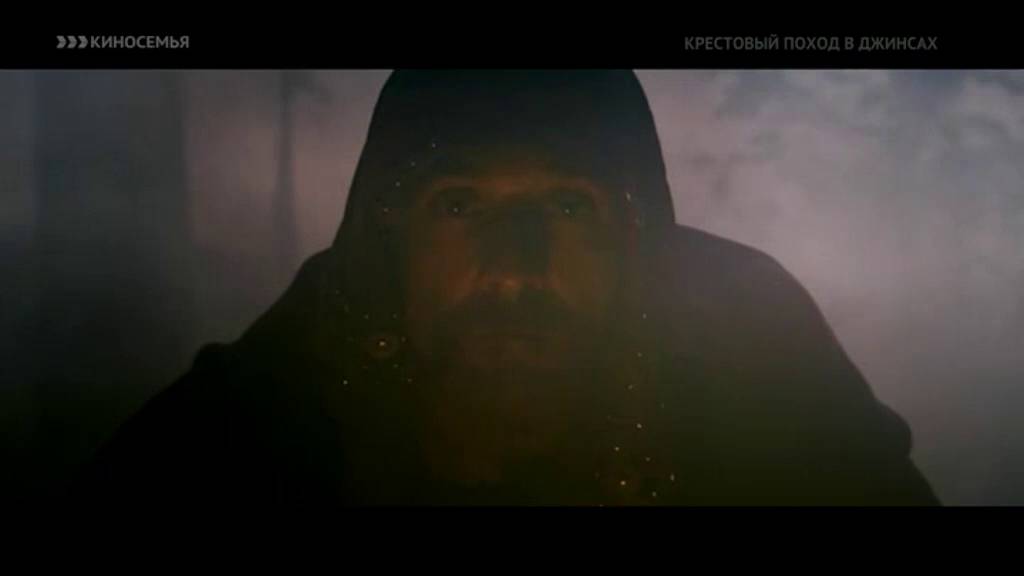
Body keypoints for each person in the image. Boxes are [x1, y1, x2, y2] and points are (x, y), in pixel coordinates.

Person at [72, 70, 939, 506]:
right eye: (459, 205)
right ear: (392, 232)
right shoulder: (312, 351)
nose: (516, 265)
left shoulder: (743, 329)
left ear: (632, 229)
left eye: (566, 205)